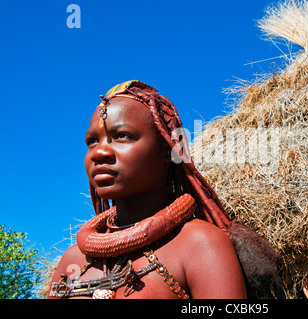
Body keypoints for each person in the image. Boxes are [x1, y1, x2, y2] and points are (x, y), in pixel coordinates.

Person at [48, 80, 281, 299]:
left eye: (122, 136)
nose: (99, 153)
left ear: (168, 151)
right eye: (92, 141)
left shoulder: (198, 244)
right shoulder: (74, 259)